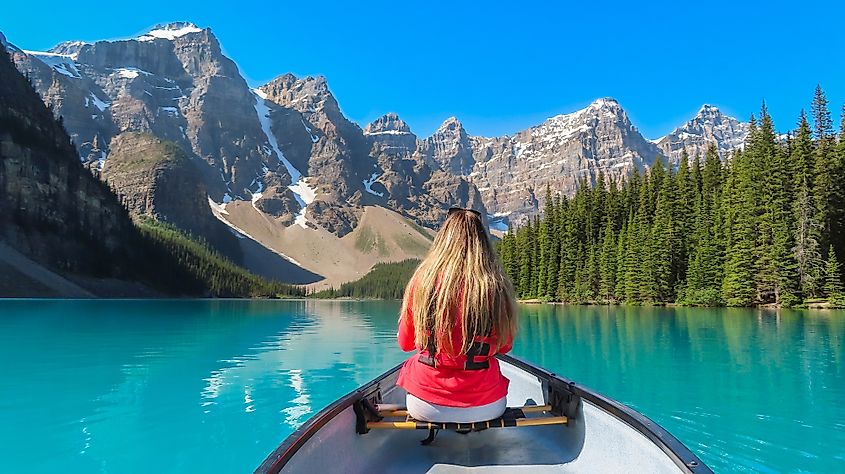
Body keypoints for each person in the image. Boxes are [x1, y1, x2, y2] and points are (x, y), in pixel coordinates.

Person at [396, 207, 518, 423]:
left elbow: (405, 343)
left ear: (444, 240)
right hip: (487, 405)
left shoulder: (421, 282)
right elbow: (505, 346)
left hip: (425, 404)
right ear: (482, 244)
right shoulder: (494, 286)